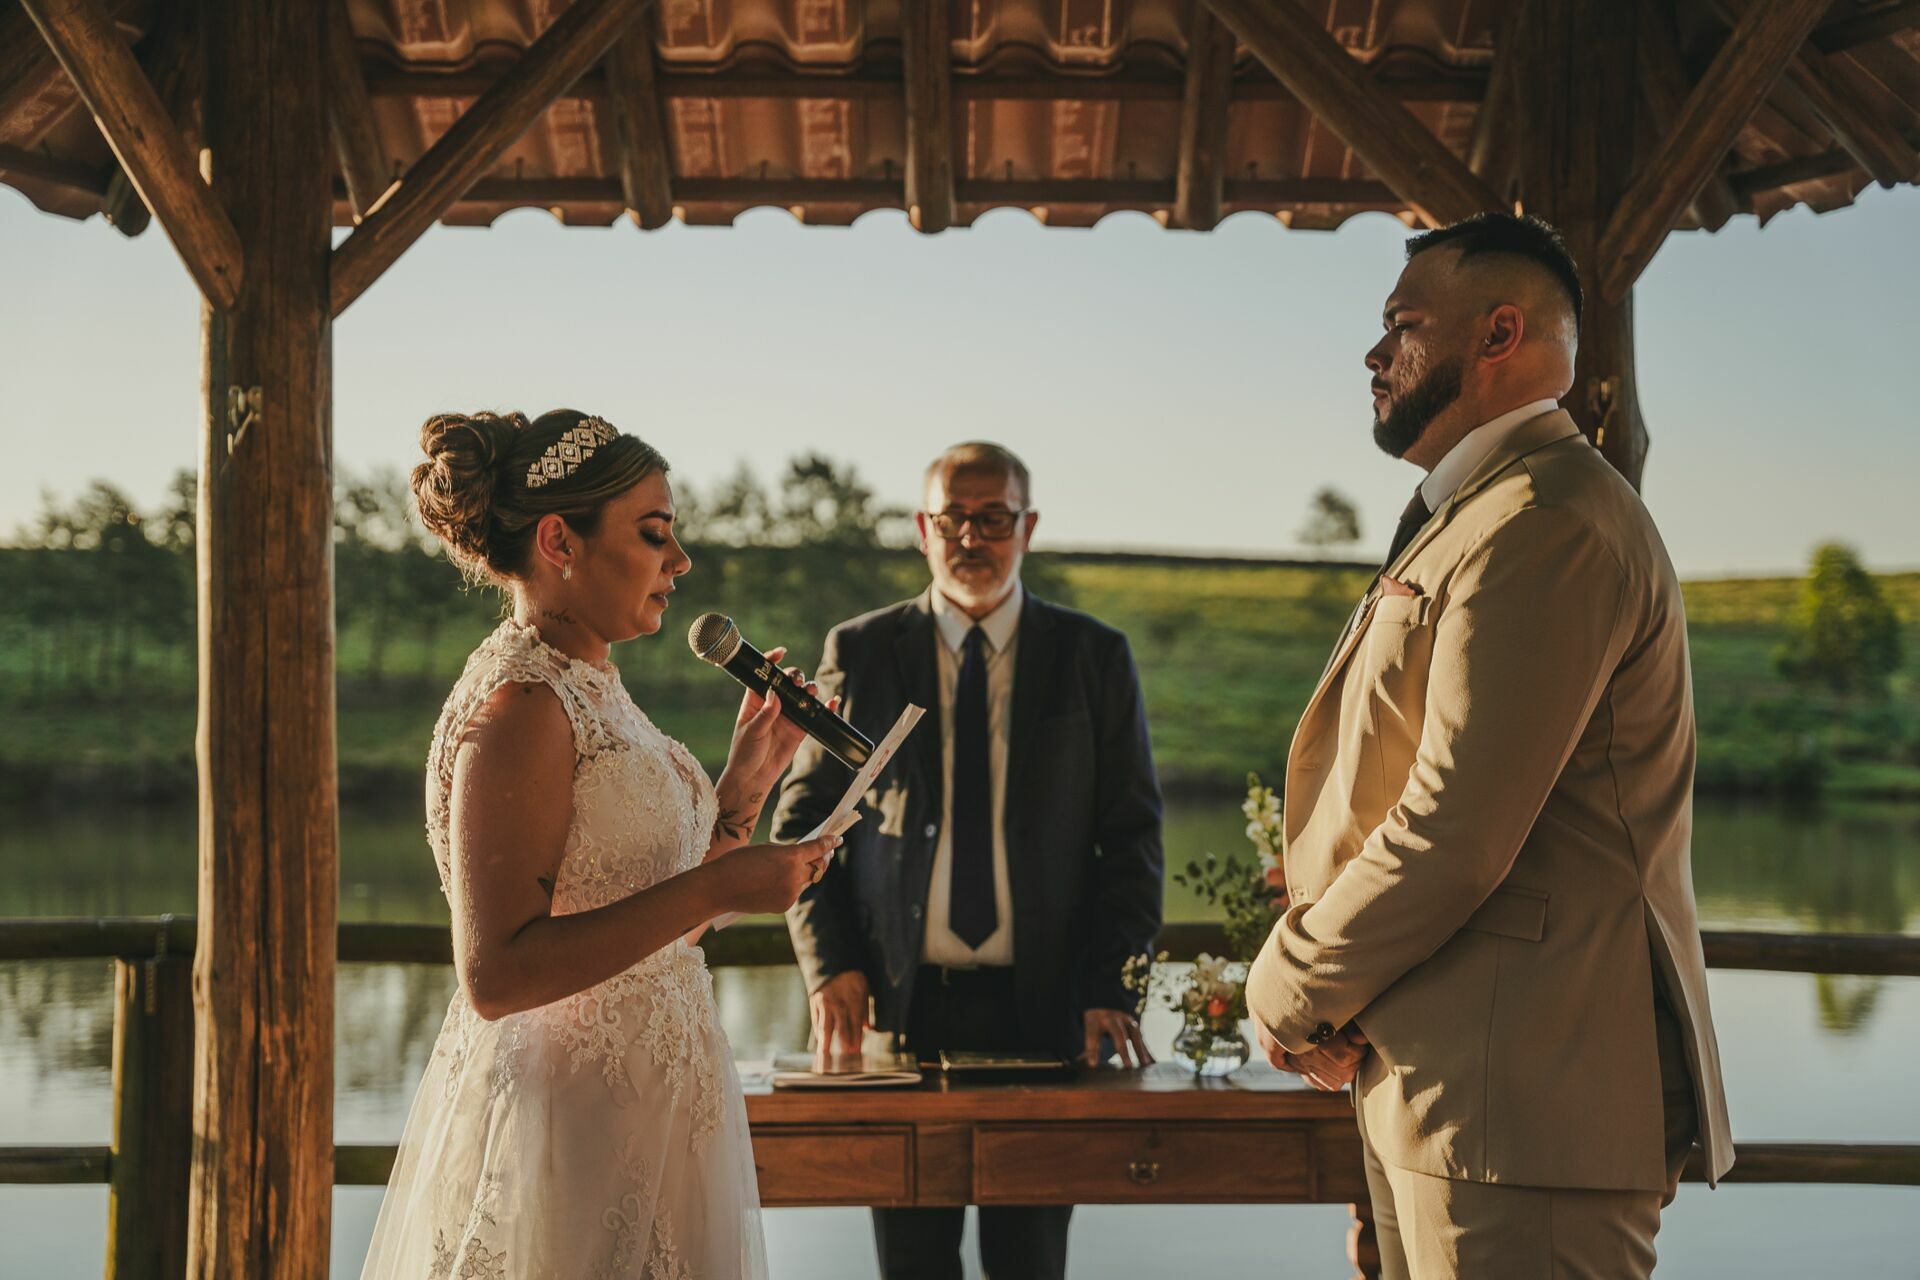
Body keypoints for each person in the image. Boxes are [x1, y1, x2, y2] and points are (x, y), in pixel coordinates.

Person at [1245, 214, 1733, 1279]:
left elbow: (1457, 825)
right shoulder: (1479, 509)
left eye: (1403, 326)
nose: (1375, 355)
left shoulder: (1546, 521)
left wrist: (1290, 982)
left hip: (1524, 1107)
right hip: (1453, 1090)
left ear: (1501, 332)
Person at [359, 408, 838, 1280]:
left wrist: (740, 799)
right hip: (567, 1132)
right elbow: (499, 975)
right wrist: (717, 888)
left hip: (655, 1118)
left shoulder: (595, 687)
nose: (680, 563)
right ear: (558, 540)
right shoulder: (523, 706)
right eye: (655, 535)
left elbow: (652, 934)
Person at [773, 442, 1164, 1280]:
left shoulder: (1094, 657)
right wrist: (828, 963)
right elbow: (804, 821)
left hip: (1048, 1015)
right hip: (901, 1011)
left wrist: (1112, 986)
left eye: (993, 518)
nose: (971, 537)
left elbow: (1132, 839)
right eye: (953, 518)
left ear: (1027, 527)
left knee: (1030, 1264)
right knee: (913, 1265)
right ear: (923, 528)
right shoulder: (863, 650)